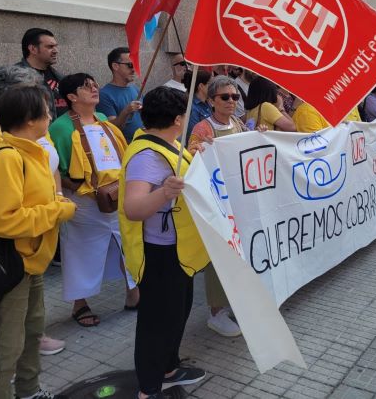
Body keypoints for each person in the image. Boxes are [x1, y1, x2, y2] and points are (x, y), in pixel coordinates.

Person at [0, 84, 76, 399]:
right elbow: (2, 219)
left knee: (32, 333)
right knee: (7, 343)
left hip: (31, 263)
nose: (51, 116)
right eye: (47, 111)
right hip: (11, 266)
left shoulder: (32, 153)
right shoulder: (8, 157)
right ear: (30, 119)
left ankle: (29, 391)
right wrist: (56, 211)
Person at [119, 86, 209, 398]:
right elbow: (134, 208)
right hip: (159, 253)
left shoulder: (168, 145)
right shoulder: (147, 156)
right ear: (177, 119)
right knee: (157, 322)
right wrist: (165, 192)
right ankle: (148, 389)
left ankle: (168, 369)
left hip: (178, 251)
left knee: (177, 312)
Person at [50, 73, 139, 328]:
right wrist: (77, 189)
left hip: (116, 193)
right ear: (71, 97)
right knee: (79, 249)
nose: (93, 88)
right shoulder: (60, 127)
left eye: (94, 83)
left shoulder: (102, 120)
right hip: (84, 201)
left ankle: (133, 293)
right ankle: (80, 303)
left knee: (126, 243)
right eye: (85, 86)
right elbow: (58, 169)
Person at [188, 76, 247, 336]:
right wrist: (198, 150)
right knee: (218, 256)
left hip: (237, 200)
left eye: (235, 97)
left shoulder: (237, 123)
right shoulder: (203, 128)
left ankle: (234, 300)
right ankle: (216, 312)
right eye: (225, 97)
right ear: (211, 100)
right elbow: (190, 156)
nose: (231, 101)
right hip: (217, 202)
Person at [16, 28, 66, 119]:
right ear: (33, 49)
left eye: (56, 46)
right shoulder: (14, 79)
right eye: (50, 47)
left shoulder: (61, 78)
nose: (56, 51)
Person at [98, 47, 144, 143]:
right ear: (115, 66)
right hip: (124, 148)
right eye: (130, 65)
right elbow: (111, 128)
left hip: (142, 144)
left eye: (135, 64)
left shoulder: (135, 89)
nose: (134, 69)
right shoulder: (104, 94)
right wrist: (126, 111)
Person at [182, 69, 213, 143]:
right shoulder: (191, 107)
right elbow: (193, 134)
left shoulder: (208, 102)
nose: (213, 87)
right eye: (211, 84)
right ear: (201, 86)